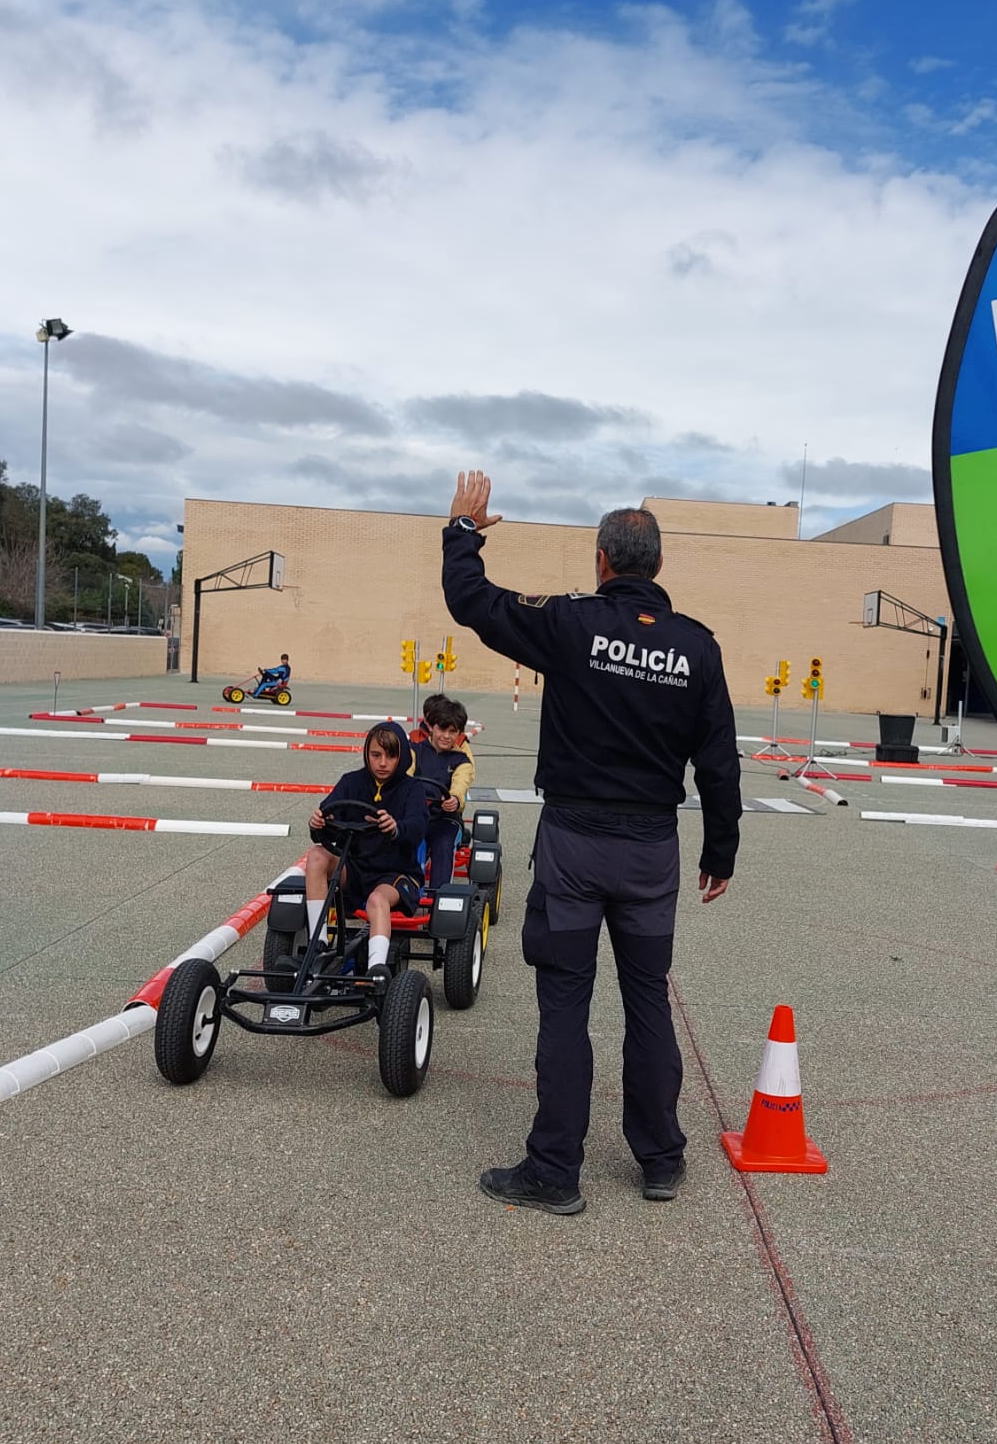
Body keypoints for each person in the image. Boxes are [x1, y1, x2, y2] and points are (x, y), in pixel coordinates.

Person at [442, 468, 741, 1215]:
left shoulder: (573, 624)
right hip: (650, 853)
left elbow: (473, 603)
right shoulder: (696, 648)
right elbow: (720, 761)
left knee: (565, 1007)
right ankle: (660, 1160)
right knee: (647, 1003)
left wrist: (463, 533)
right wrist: (721, 851)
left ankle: (555, 1171)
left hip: (575, 847)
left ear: (601, 563)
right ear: (659, 567)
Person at [301, 721, 429, 974]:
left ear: (401, 757)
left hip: (396, 874)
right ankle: (319, 944)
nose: (383, 763)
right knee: (316, 855)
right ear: (367, 755)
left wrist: (395, 827)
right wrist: (318, 824)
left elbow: (418, 826)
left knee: (377, 899)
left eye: (391, 756)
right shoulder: (351, 782)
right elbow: (328, 817)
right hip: (355, 867)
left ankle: (376, 969)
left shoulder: (412, 789)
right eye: (376, 755)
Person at [410, 693, 476, 889]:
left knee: (443, 846)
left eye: (452, 731)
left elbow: (461, 783)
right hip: (416, 816)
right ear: (431, 726)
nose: (446, 736)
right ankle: (403, 890)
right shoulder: (414, 751)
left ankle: (440, 897)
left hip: (445, 820)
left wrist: (454, 799)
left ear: (459, 733)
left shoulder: (461, 761)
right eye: (441, 729)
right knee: (406, 840)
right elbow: (404, 776)